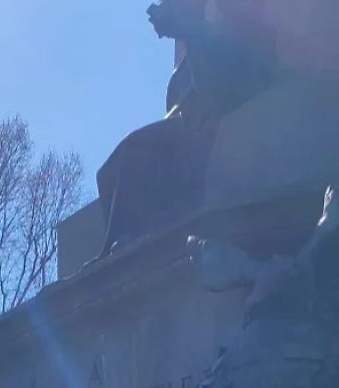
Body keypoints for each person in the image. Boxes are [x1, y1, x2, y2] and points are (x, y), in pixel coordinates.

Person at [96, 0, 276, 256]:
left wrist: (187, 31)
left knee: (135, 151)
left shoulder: (232, 26)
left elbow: (220, 90)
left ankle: (129, 240)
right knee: (106, 173)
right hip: (190, 120)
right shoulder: (190, 47)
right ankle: (113, 248)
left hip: (213, 120)